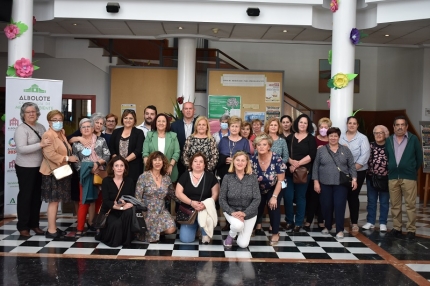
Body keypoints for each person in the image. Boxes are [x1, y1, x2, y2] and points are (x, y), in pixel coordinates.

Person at [312, 127, 357, 239]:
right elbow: (315, 167)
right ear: (328, 137)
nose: (333, 138)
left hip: (340, 184)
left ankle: (339, 229)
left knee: (339, 206)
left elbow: (351, 165)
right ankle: (327, 226)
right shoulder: (321, 150)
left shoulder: (345, 150)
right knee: (326, 206)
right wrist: (316, 182)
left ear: (339, 137)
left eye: (335, 136)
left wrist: (354, 179)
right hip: (324, 183)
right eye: (331, 135)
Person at [40, 110, 78, 238]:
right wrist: (67, 159)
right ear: (49, 122)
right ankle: (51, 230)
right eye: (54, 120)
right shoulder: (48, 135)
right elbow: (49, 154)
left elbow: (66, 148)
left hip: (62, 171)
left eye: (60, 120)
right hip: (52, 173)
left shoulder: (61, 133)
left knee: (56, 201)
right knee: (53, 201)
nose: (57, 122)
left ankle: (54, 227)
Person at [14, 102, 50, 236]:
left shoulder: (41, 127)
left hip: (40, 167)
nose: (31, 114)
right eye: (28, 112)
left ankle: (34, 224)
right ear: (23, 114)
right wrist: (40, 144)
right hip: (25, 167)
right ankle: (23, 226)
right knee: (26, 196)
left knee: (36, 197)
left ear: (37, 113)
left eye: (33, 111)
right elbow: (21, 149)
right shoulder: (21, 129)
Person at [72, 118, 110, 237]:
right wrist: (88, 169)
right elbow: (76, 162)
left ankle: (95, 224)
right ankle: (80, 228)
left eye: (89, 126)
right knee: (84, 202)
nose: (86, 128)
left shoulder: (101, 140)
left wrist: (97, 164)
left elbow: (107, 155)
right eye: (84, 127)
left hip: (100, 174)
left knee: (99, 201)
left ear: (93, 128)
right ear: (80, 129)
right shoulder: (76, 144)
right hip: (85, 176)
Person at [386, 116, 423, 240]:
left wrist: (411, 169)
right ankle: (397, 228)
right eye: (397, 125)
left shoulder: (413, 139)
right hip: (393, 177)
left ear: (406, 127)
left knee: (410, 205)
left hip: (409, 177)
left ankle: (411, 230)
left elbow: (419, 158)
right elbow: (387, 156)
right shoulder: (389, 140)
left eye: (402, 125)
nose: (400, 127)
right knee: (395, 204)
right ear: (394, 127)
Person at [175, 152, 220, 244]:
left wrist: (206, 204)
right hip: (189, 210)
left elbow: (215, 194)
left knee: (206, 239)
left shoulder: (210, 177)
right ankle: (196, 228)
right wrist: (192, 203)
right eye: (195, 161)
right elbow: (178, 193)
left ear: (204, 165)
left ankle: (203, 231)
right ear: (191, 164)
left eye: (201, 161)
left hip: (204, 209)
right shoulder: (185, 176)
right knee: (186, 240)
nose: (198, 163)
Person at [135, 151, 178, 242]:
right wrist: (141, 214)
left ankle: (158, 232)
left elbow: (173, 194)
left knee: (171, 229)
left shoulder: (166, 178)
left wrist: (188, 200)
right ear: (151, 162)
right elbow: (137, 197)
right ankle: (154, 232)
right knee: (151, 238)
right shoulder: (143, 177)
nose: (157, 162)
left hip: (161, 210)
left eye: (160, 160)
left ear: (163, 162)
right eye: (155, 160)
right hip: (147, 211)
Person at [220, 151, 260, 248]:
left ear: (247, 163)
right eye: (237, 160)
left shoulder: (252, 178)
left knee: (243, 244)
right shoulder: (227, 178)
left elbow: (257, 199)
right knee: (238, 225)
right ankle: (231, 236)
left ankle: (238, 228)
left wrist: (244, 213)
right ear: (233, 162)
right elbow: (222, 199)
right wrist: (232, 212)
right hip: (232, 211)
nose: (240, 163)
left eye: (243, 160)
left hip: (249, 214)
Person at [251, 134, 285, 245]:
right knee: (256, 207)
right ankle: (250, 229)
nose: (261, 147)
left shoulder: (277, 158)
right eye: (259, 145)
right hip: (258, 188)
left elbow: (281, 180)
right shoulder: (252, 160)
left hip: (276, 186)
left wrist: (274, 197)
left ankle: (275, 233)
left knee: (273, 206)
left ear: (269, 146)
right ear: (255, 147)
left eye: (264, 144)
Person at [285, 114, 317, 232]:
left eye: (305, 123)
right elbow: (285, 153)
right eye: (301, 122)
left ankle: (298, 223)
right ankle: (289, 221)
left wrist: (297, 164)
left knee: (300, 197)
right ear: (297, 123)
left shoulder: (311, 138)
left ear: (308, 125)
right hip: (289, 172)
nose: (302, 124)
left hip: (304, 173)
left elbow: (312, 155)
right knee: (288, 197)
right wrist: (291, 162)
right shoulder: (290, 137)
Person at [339, 116, 370, 232]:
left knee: (353, 197)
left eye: (354, 123)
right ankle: (338, 221)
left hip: (358, 171)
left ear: (357, 125)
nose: (352, 125)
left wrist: (352, 169)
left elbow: (364, 156)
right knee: (340, 196)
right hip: (341, 172)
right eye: (350, 123)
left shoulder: (363, 138)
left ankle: (354, 222)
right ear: (347, 124)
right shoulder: (340, 136)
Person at [96, 156, 136, 247]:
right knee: (116, 224)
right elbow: (106, 201)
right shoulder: (106, 181)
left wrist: (126, 203)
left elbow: (131, 198)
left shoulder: (129, 181)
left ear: (125, 168)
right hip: (110, 211)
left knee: (129, 212)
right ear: (112, 167)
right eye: (116, 165)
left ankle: (126, 240)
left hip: (123, 211)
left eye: (122, 165)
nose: (119, 168)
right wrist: (119, 207)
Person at [259, 117, 289, 233]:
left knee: (275, 203)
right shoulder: (262, 139)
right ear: (267, 126)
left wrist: (276, 164)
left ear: (278, 127)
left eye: (275, 125)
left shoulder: (282, 141)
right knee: (259, 204)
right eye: (271, 125)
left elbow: (286, 156)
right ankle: (258, 225)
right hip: (262, 179)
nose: (273, 127)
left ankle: (274, 227)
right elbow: (257, 154)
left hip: (280, 177)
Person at [304, 117, 332, 230]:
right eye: (321, 127)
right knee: (312, 198)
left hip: (327, 173)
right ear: (318, 128)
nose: (323, 129)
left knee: (323, 198)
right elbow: (309, 155)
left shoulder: (332, 140)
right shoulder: (313, 139)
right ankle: (308, 220)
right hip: (314, 172)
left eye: (326, 127)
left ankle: (321, 220)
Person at [363, 125, 390, 232]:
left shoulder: (390, 146)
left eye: (381, 133)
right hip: (371, 178)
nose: (378, 135)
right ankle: (370, 221)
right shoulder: (369, 146)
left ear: (385, 134)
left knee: (384, 202)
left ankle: (383, 222)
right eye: (376, 133)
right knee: (371, 201)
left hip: (385, 179)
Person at [109, 109, 145, 186]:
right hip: (117, 168)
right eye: (125, 118)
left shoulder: (139, 133)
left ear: (134, 120)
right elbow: (111, 148)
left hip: (133, 168)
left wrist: (124, 161)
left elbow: (138, 150)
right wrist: (117, 161)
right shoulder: (116, 132)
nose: (128, 120)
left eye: (130, 118)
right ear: (122, 119)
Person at [143, 113, 181, 182]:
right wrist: (149, 167)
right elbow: (145, 153)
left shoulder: (173, 136)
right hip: (152, 171)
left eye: (163, 121)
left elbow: (176, 153)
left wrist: (171, 166)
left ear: (167, 123)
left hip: (169, 171)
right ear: (155, 123)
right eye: (159, 121)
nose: (161, 123)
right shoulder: (149, 135)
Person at [217, 116, 251, 181]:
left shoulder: (244, 141)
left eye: (236, 126)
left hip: (239, 173)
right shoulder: (223, 140)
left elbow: (248, 157)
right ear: (229, 127)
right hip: (224, 172)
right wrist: (224, 159)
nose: (234, 129)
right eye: (232, 126)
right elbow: (217, 156)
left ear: (240, 128)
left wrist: (236, 160)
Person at [171, 101, 196, 178]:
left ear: (194, 110)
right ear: (182, 111)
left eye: (190, 108)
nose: (188, 110)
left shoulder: (199, 124)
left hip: (195, 160)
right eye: (186, 109)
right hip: (178, 161)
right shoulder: (174, 125)